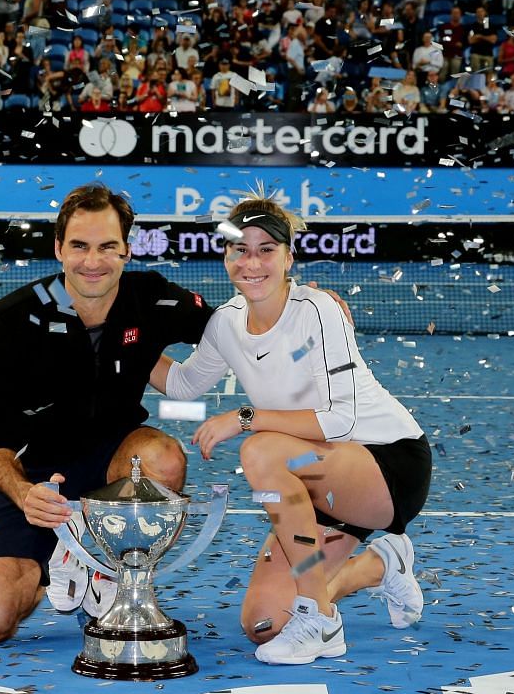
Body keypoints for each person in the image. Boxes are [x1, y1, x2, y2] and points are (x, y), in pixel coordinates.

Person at [153, 197, 429, 666]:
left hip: (385, 464)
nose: (252, 262)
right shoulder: (225, 323)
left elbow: (339, 419)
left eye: (266, 250)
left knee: (260, 451)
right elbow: (181, 384)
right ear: (225, 256)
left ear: (288, 257)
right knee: (263, 626)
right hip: (314, 481)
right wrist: (114, 340)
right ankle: (383, 565)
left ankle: (319, 619)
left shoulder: (317, 310)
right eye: (240, 249)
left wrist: (243, 419)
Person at [0, 184, 214, 645]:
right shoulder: (8, 322)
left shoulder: (154, 298)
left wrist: (297, 304)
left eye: (107, 247)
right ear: (59, 248)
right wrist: (21, 492)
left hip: (113, 459)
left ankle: (108, 571)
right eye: (79, 246)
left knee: (163, 458)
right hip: (34, 472)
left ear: (127, 249)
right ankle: (63, 559)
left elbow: (232, 329)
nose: (92, 261)